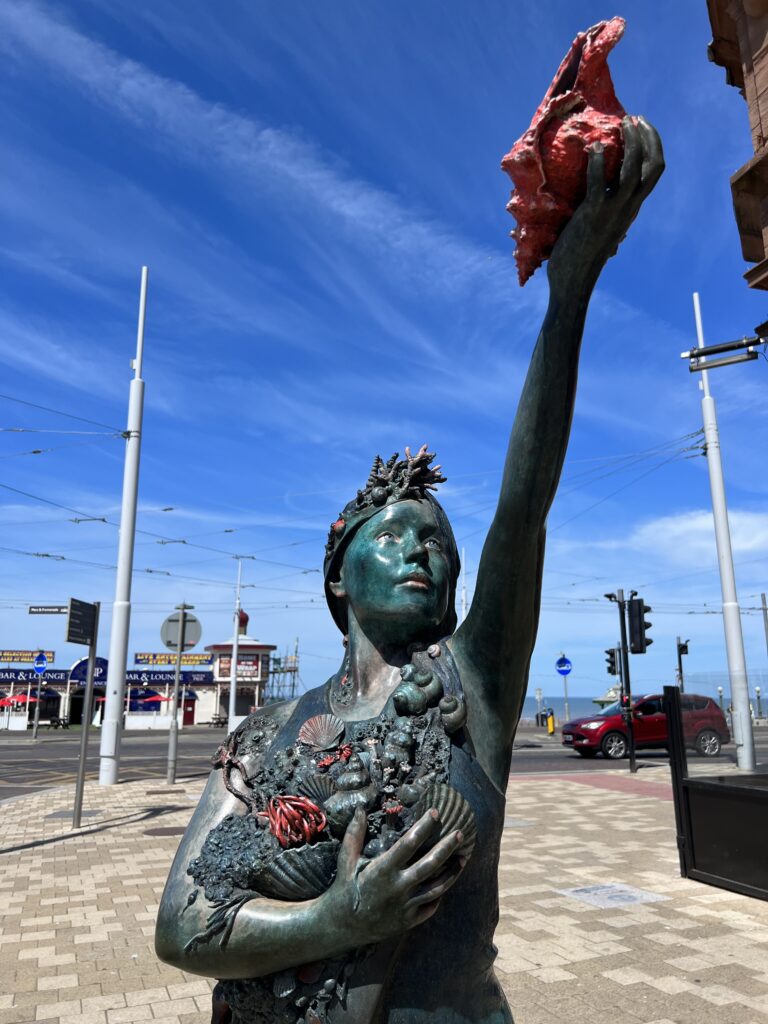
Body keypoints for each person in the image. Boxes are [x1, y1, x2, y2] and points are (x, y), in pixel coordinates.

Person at [156, 118, 664, 1023]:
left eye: (438, 541)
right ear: (339, 577)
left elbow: (523, 508)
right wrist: (338, 915)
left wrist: (571, 292)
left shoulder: (475, 685)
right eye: (393, 536)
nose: (423, 549)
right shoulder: (272, 732)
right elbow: (182, 925)